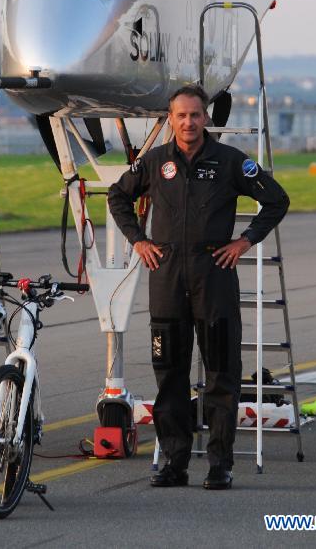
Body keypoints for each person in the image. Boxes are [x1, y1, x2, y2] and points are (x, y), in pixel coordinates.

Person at [107, 84, 290, 490]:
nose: (188, 122)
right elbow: (118, 197)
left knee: (222, 376)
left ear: (206, 117)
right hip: (168, 278)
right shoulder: (154, 162)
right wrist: (138, 240)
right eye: (181, 116)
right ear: (170, 119)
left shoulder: (229, 162)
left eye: (195, 115)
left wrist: (244, 242)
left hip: (214, 279)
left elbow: (276, 200)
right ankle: (174, 462)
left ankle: (220, 464)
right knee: (169, 374)